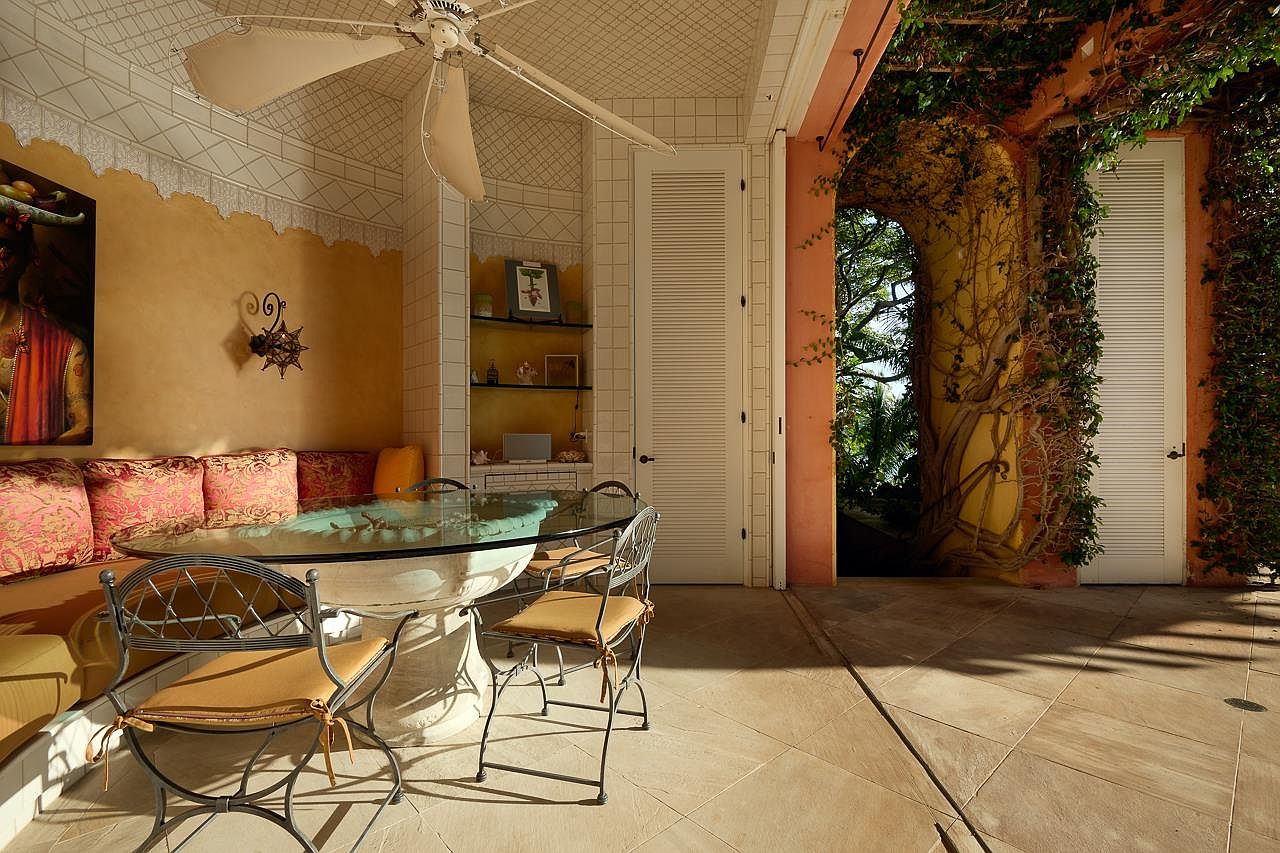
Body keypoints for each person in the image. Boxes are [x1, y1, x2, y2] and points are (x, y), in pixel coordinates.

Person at [0, 211, 91, 444]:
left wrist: (38, 459)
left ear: (30, 254)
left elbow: (83, 426)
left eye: (8, 249)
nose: (0, 261)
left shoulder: (67, 348)